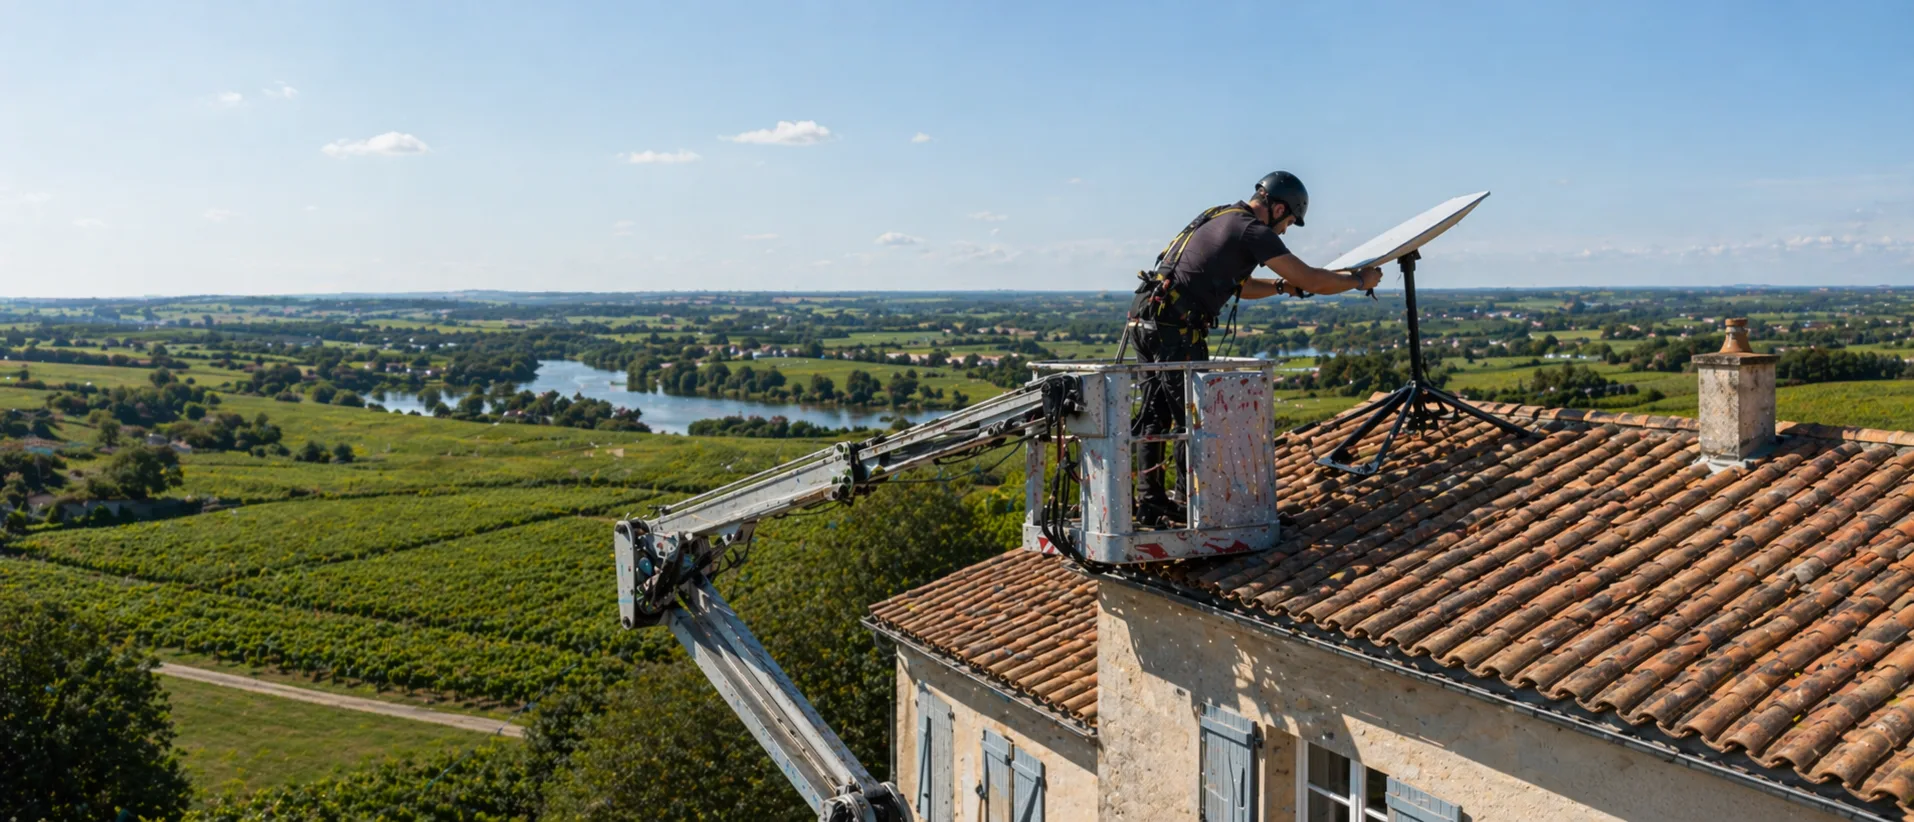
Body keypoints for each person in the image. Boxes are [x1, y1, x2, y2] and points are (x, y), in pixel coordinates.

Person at [1125, 170, 1384, 524]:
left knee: (1156, 414)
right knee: (1191, 419)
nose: (1286, 229)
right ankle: (1190, 508)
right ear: (1278, 209)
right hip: (1177, 329)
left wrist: (1280, 288)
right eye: (1289, 221)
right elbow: (1309, 277)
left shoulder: (1218, 216)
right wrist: (1358, 280)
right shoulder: (1252, 230)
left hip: (1148, 319)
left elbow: (1239, 286)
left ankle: (1150, 501)